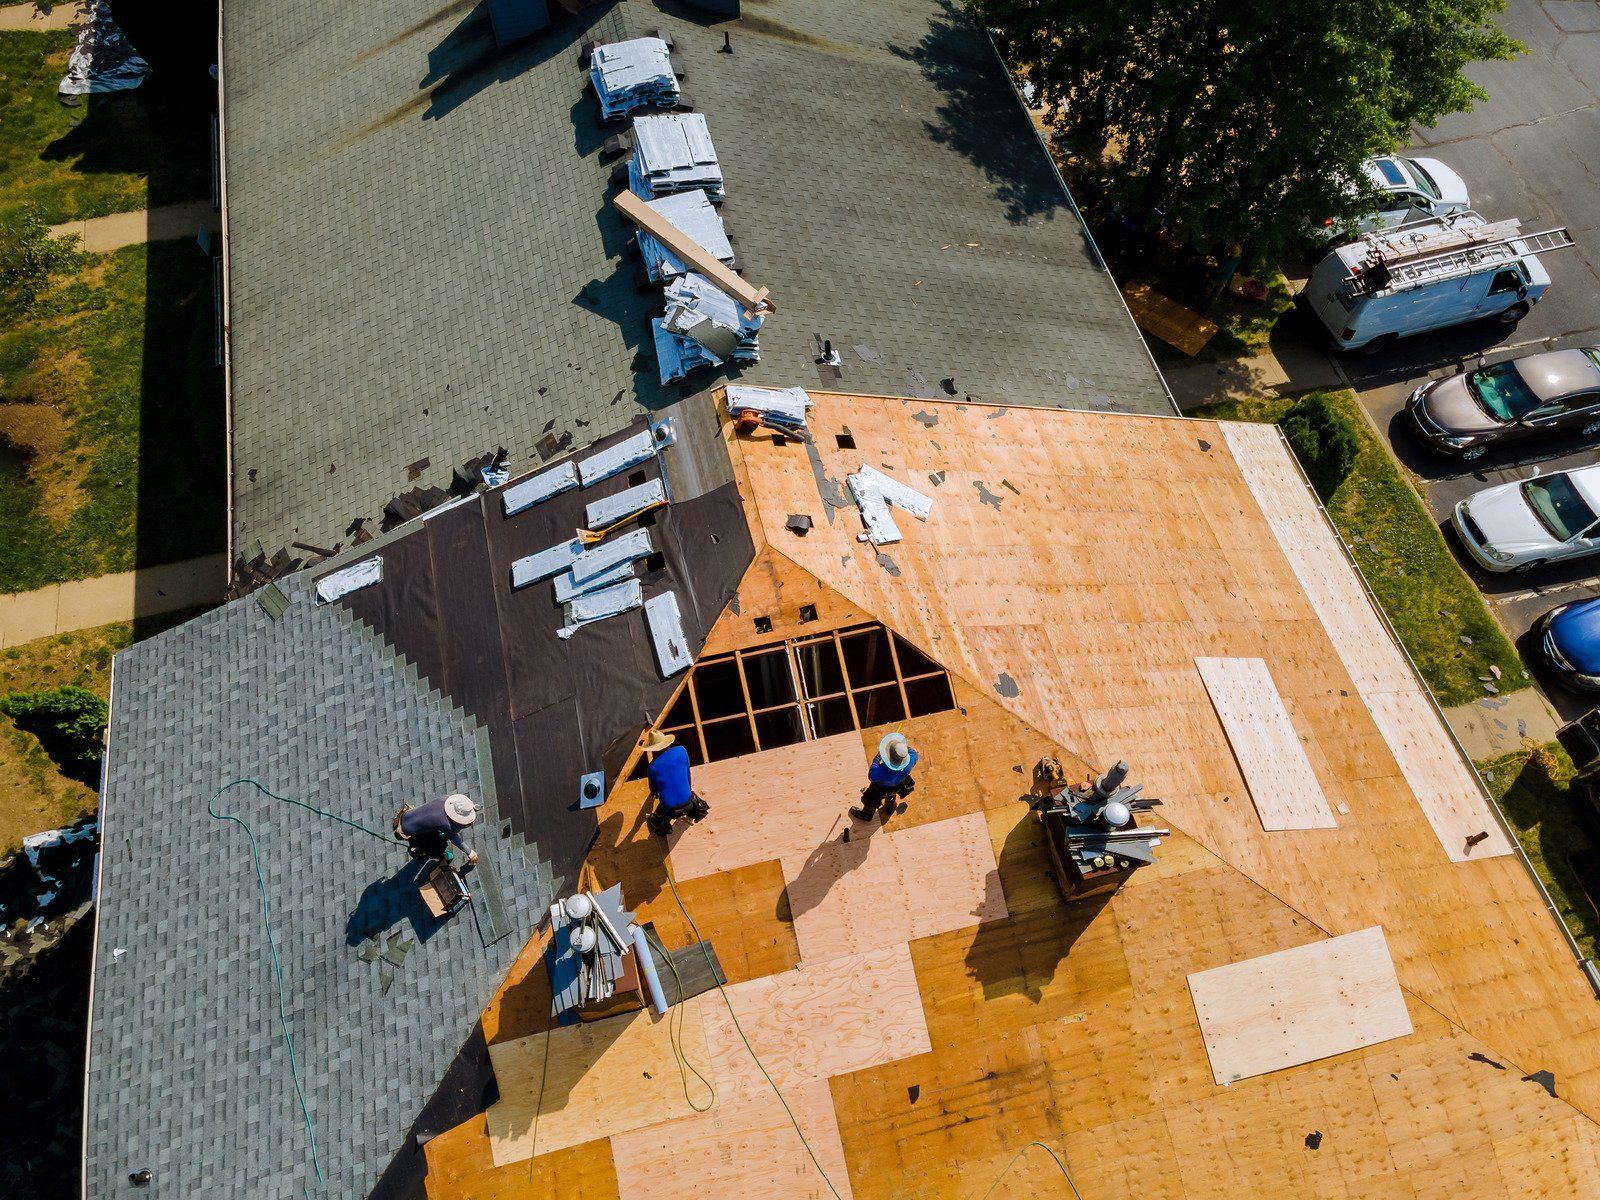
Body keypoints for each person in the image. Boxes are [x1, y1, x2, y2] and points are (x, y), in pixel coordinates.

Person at [641, 729, 708, 836]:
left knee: (656, 821)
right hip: (688, 803)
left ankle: (664, 829)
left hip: (669, 811)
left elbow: (654, 791)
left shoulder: (652, 767)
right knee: (692, 797)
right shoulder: (681, 751)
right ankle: (695, 813)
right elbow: (687, 772)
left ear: (652, 749)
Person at [393, 793, 479, 866]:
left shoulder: (445, 799)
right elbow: (454, 838)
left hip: (405, 816)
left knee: (438, 832)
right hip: (406, 831)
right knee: (438, 845)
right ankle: (433, 853)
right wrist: (469, 852)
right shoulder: (446, 825)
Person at [851, 733, 918, 823]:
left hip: (880, 789)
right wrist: (899, 747)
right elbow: (912, 752)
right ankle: (889, 809)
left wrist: (876, 759)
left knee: (870, 800)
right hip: (897, 786)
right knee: (891, 797)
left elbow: (871, 776)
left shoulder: (883, 771)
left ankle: (866, 815)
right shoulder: (912, 757)